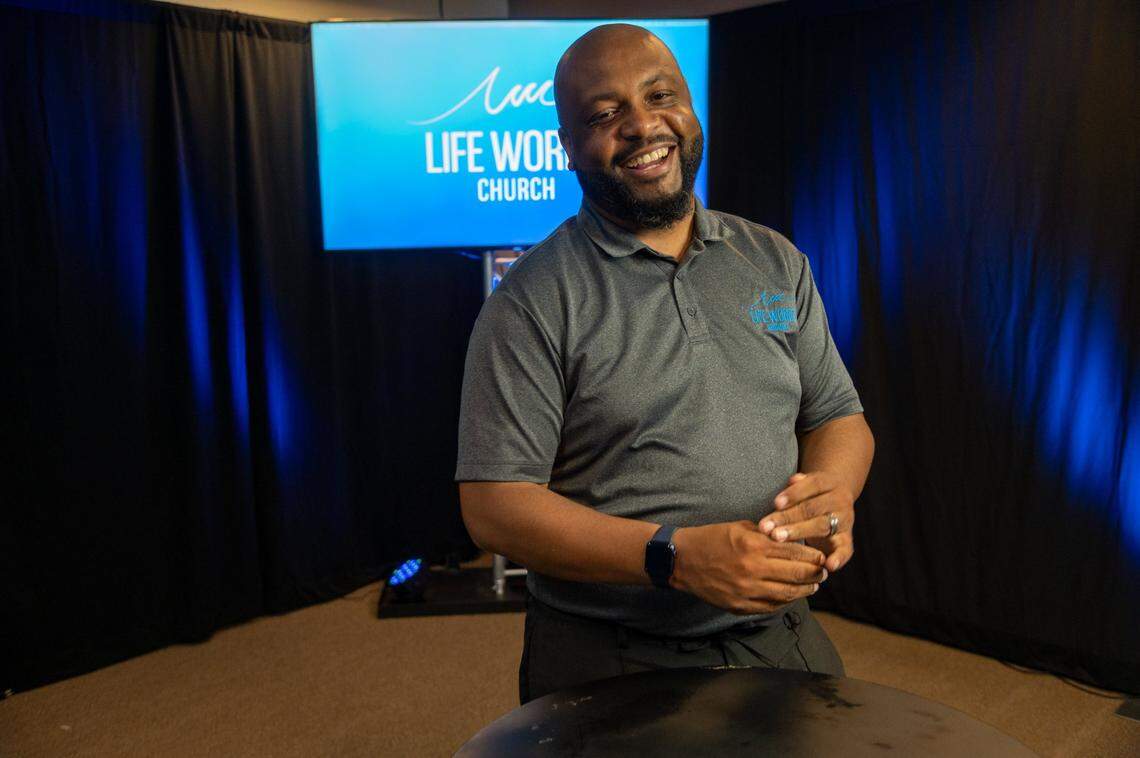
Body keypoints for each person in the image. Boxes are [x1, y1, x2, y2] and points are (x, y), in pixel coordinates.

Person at [455, 23, 874, 704]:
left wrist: (834, 491)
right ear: (567, 148)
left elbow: (837, 415)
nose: (643, 126)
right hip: (611, 650)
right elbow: (495, 507)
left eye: (660, 96)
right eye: (605, 113)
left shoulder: (773, 260)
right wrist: (672, 557)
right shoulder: (531, 301)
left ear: (691, 109)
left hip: (775, 631)